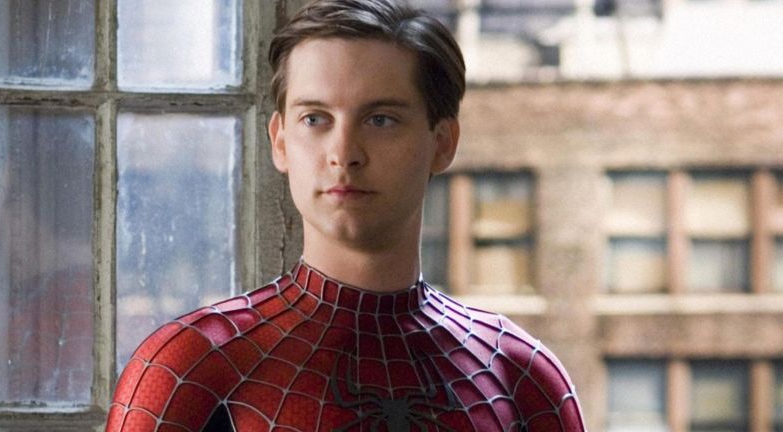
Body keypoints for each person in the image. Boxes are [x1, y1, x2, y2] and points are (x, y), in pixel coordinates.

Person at [105, 0, 587, 431]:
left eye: (381, 120)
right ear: (280, 141)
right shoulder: (192, 367)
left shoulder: (521, 375)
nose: (344, 153)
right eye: (315, 119)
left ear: (442, 143)